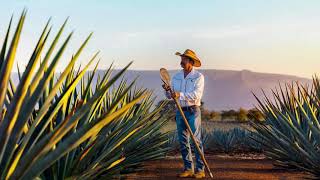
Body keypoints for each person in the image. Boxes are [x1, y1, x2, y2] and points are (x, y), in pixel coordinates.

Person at [162, 49, 205, 178]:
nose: (182, 61)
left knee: (196, 140)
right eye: (181, 59)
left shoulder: (198, 77)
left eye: (184, 59)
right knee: (183, 141)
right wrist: (167, 90)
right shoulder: (176, 77)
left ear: (191, 61)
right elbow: (170, 96)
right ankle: (188, 169)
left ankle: (200, 170)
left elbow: (197, 95)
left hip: (193, 111)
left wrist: (180, 94)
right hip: (180, 111)